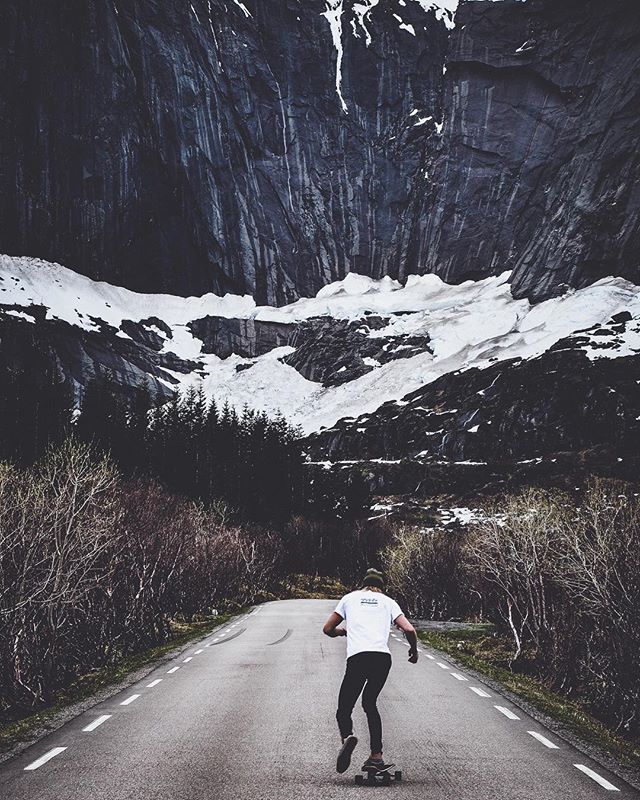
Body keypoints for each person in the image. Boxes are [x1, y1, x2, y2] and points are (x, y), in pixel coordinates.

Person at [322, 568, 418, 774]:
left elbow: (327, 629)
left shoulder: (349, 598)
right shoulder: (388, 602)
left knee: (344, 707)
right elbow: (409, 629)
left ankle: (347, 737)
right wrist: (414, 650)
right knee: (369, 703)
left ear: (363, 584)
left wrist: (342, 632)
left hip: (358, 658)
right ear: (381, 586)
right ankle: (376, 756)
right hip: (381, 659)